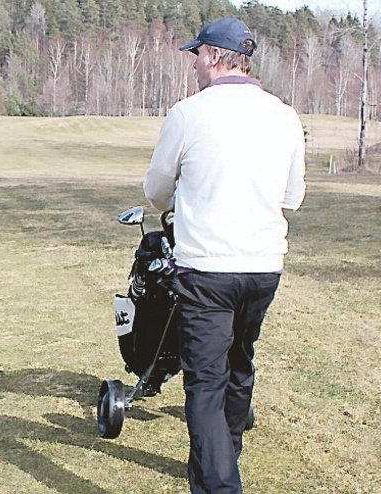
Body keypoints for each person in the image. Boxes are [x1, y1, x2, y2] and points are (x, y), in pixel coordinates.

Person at [142, 17, 306, 494]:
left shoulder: (189, 114)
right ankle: (222, 460)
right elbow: (292, 195)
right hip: (262, 267)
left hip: (208, 270)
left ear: (214, 56)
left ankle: (219, 483)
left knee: (207, 382)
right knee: (239, 365)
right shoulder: (284, 115)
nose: (193, 62)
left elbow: (156, 191)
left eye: (196, 54)